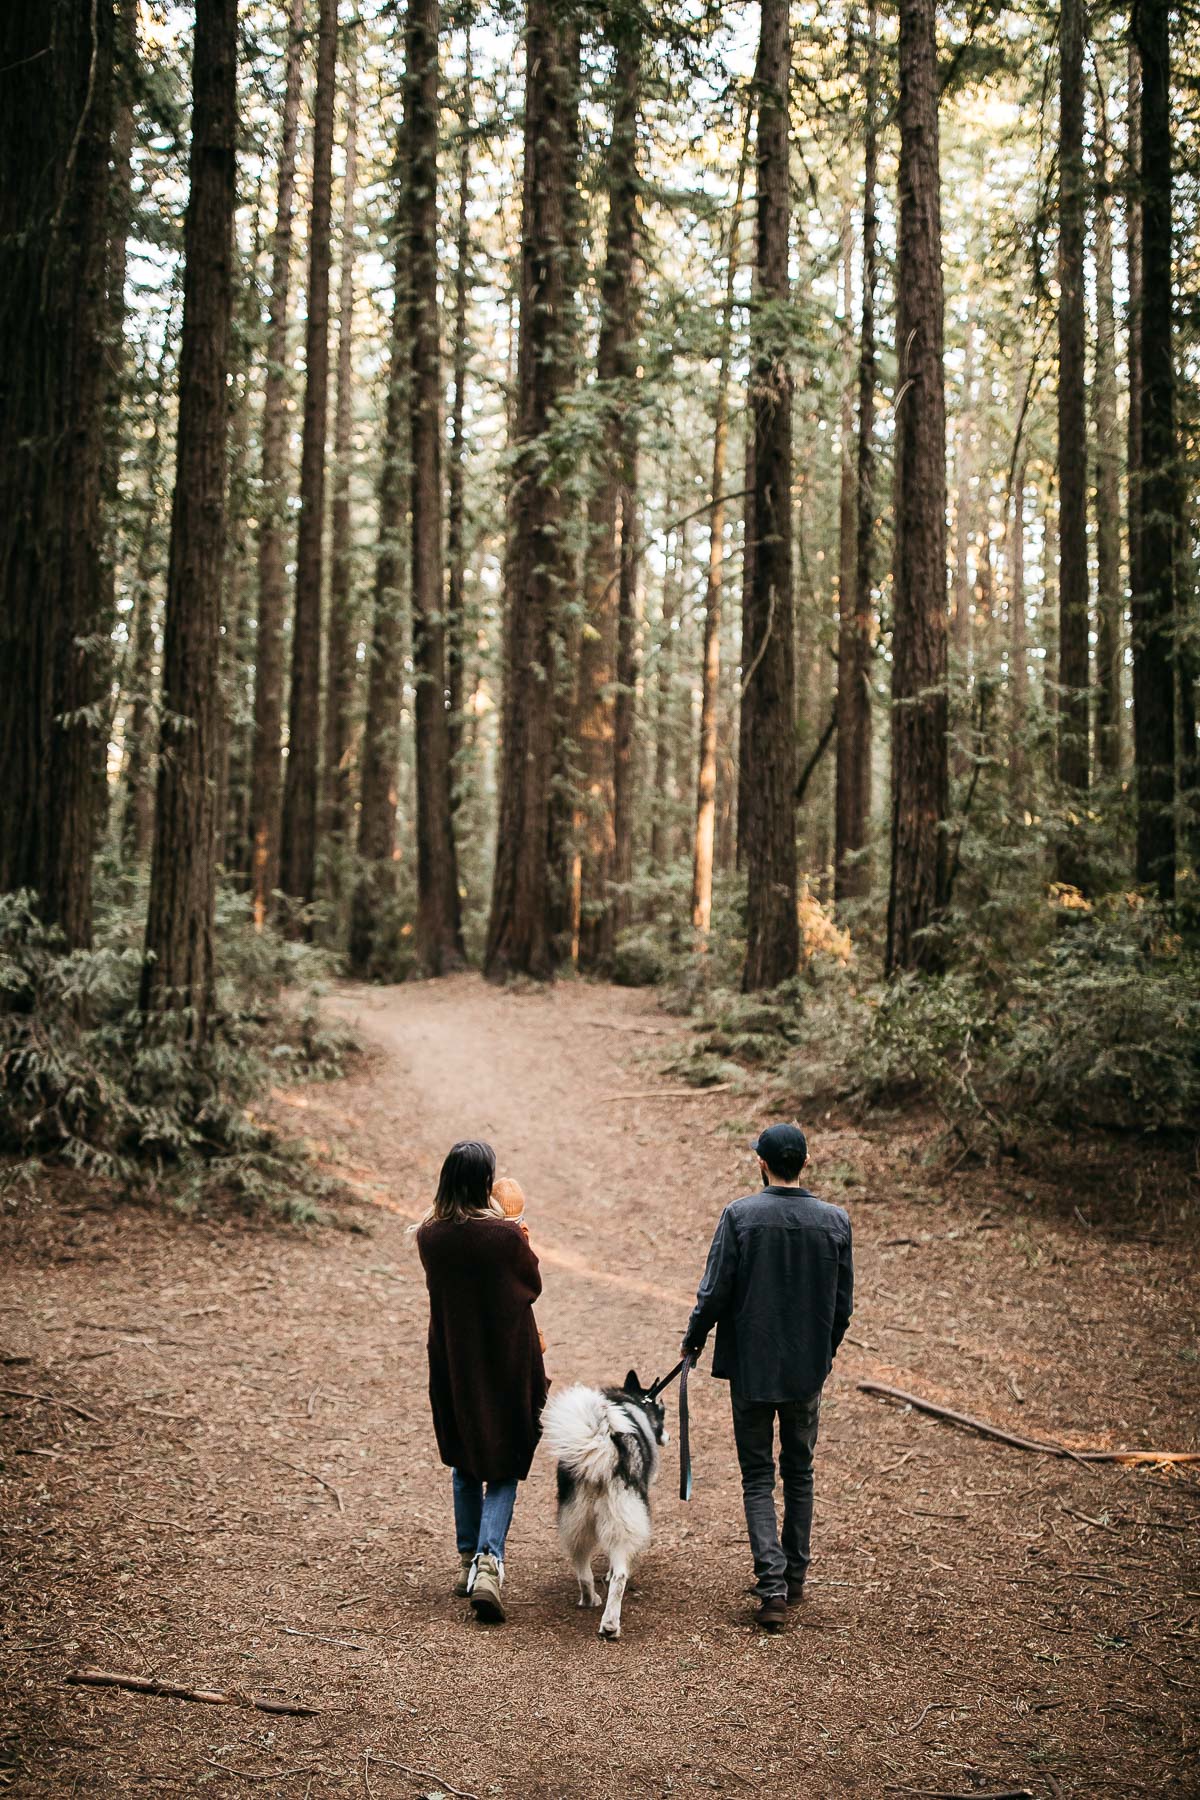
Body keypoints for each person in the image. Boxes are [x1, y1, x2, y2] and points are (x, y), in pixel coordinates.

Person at [681, 1122, 853, 1632]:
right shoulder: (835, 1221)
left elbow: (715, 1291)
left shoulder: (740, 1216)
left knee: (757, 1475)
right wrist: (823, 1354)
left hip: (752, 1369)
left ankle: (772, 1586)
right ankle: (793, 1578)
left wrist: (694, 1338)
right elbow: (842, 1307)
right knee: (800, 1472)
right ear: (805, 1163)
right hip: (806, 1372)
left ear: (762, 1163)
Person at [416, 1140, 548, 1625]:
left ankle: (466, 1561)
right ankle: (489, 1562)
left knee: (466, 1460)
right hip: (505, 1362)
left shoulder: (430, 1236)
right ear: (484, 1183)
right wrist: (520, 1233)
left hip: (456, 1362)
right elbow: (530, 1285)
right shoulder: (504, 1237)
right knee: (505, 1463)